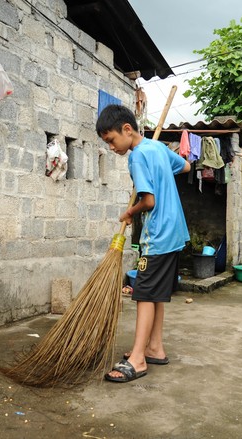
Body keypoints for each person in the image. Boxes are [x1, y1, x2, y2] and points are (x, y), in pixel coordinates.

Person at [96, 104, 190, 383]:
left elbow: (148, 201)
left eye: (112, 140)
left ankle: (137, 359)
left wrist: (129, 212)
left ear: (127, 129)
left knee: (144, 294)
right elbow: (184, 165)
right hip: (175, 231)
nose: (112, 147)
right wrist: (160, 171)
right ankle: (154, 348)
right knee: (157, 293)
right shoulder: (158, 149)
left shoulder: (137, 158)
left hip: (157, 233)